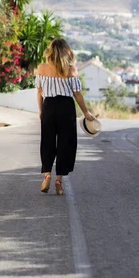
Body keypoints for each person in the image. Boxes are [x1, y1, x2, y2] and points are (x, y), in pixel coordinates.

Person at [35, 38, 95, 195]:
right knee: (65, 144)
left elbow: (40, 92)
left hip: (49, 106)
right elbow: (78, 95)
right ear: (66, 51)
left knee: (47, 141)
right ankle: (58, 181)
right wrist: (86, 112)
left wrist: (41, 110)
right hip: (66, 108)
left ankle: (47, 175)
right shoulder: (71, 70)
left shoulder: (42, 68)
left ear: (51, 50)